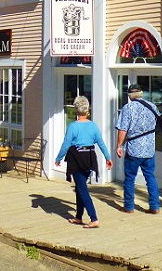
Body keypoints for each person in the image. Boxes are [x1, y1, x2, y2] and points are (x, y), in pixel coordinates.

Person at [55, 96, 113, 229]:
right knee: (79, 187)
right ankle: (78, 217)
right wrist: (108, 157)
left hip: (76, 158)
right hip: (90, 158)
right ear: (88, 110)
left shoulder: (73, 126)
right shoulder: (93, 125)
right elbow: (101, 143)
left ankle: (94, 218)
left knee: (82, 188)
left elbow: (66, 145)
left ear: (76, 110)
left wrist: (59, 158)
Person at [116, 84, 161, 214]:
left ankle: (129, 207)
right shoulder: (152, 106)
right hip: (149, 148)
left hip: (134, 148)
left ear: (129, 96)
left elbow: (123, 129)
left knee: (130, 178)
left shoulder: (128, 108)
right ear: (141, 93)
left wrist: (119, 145)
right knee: (150, 177)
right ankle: (155, 206)